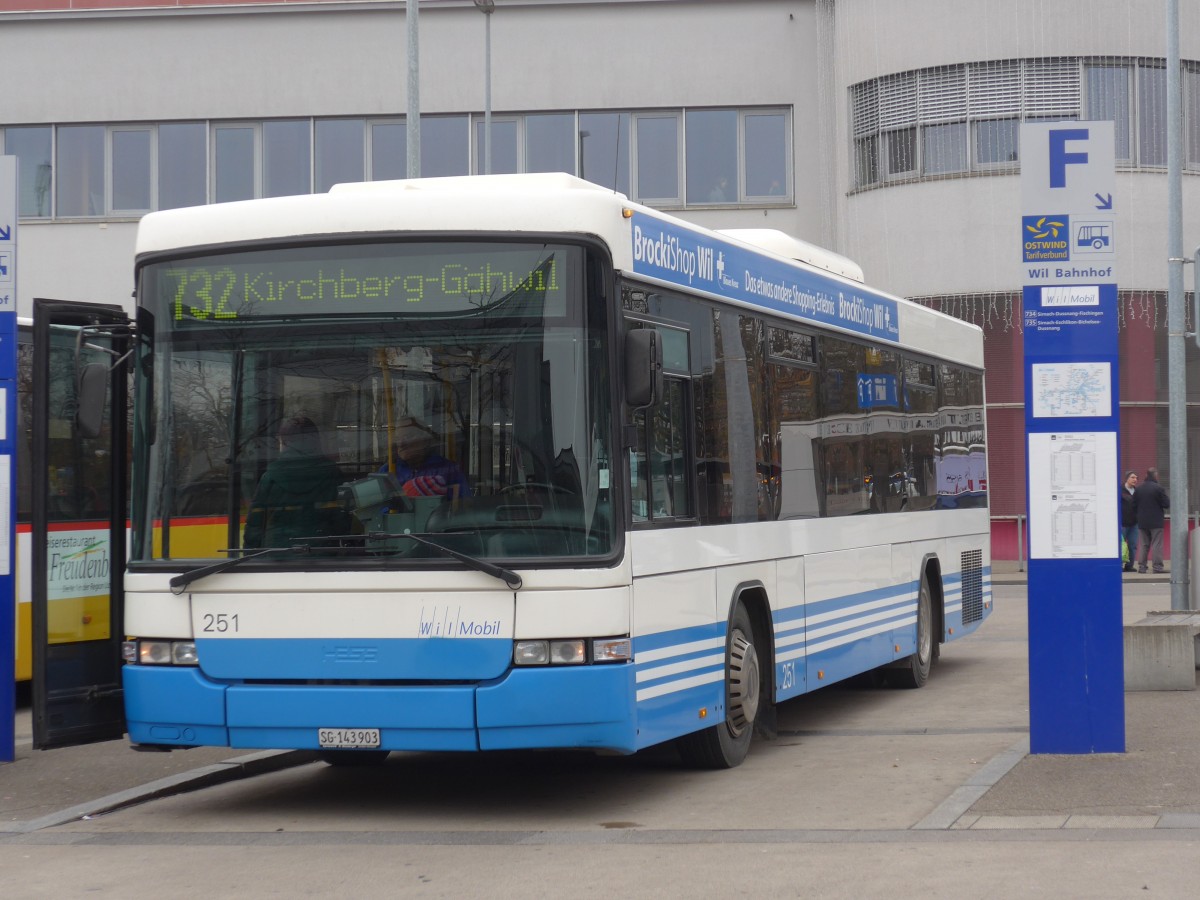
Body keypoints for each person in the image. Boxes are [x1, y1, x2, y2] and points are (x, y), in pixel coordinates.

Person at [243, 416, 345, 549]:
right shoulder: (332, 474)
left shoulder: (270, 477)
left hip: (277, 552)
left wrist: (250, 557)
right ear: (316, 442)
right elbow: (341, 519)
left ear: (284, 443)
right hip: (320, 549)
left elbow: (255, 524)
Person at [385, 416, 471, 499]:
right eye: (397, 438)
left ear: (425, 440)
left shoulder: (449, 471)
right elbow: (376, 508)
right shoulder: (387, 471)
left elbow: (464, 507)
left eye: (408, 437)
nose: (401, 444)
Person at [1133, 466, 1169, 574]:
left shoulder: (1138, 489)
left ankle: (1142, 567)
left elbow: (1133, 505)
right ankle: (1157, 567)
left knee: (1144, 544)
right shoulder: (1158, 488)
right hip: (1156, 522)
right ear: (1155, 475)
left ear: (1146, 475)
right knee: (1156, 544)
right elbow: (1166, 504)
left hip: (1142, 522)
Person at [1119, 470, 1138, 572]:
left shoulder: (1137, 491)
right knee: (1121, 545)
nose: (1135, 480)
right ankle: (1120, 565)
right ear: (1127, 479)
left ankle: (1129, 565)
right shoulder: (1120, 490)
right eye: (1132, 477)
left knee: (1132, 545)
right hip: (1122, 523)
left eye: (1136, 478)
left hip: (1134, 523)